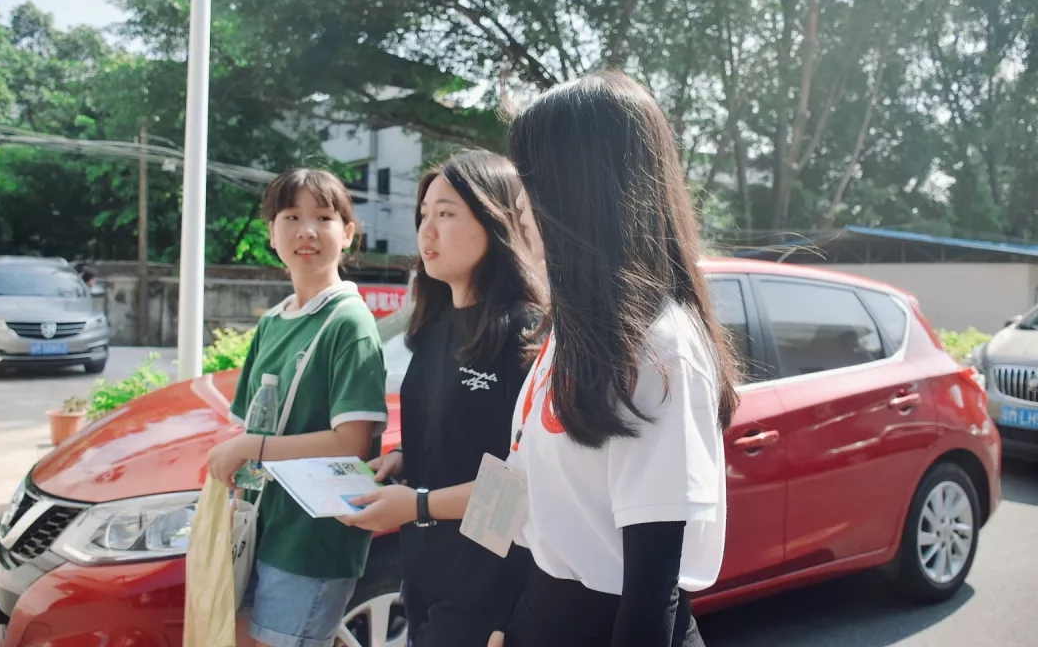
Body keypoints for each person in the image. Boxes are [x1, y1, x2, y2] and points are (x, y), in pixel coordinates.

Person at [492, 71, 741, 647]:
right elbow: (517, 487)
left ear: (581, 189)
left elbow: (652, 589)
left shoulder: (659, 346)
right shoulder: (568, 330)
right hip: (538, 611)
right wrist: (502, 620)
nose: (519, 204)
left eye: (532, 179)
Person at [338, 150, 545, 646]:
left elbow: (525, 486)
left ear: (496, 221)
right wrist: (407, 458)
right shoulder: (434, 323)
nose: (426, 231)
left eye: (446, 214)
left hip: (488, 594)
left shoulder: (526, 333)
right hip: (424, 576)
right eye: (423, 215)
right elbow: (462, 436)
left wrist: (418, 505)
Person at [206, 168, 389, 647]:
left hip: (312, 542)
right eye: (291, 216)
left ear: (347, 233)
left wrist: (249, 447)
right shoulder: (273, 322)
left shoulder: (349, 322)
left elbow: (351, 443)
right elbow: (252, 423)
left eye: (324, 217)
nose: (307, 230)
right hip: (260, 530)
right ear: (271, 233)